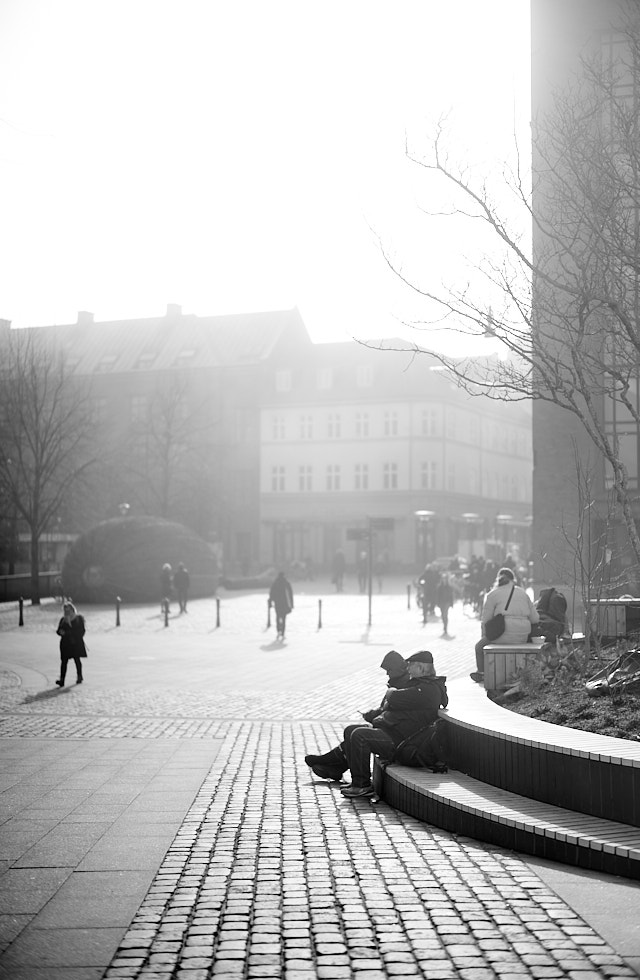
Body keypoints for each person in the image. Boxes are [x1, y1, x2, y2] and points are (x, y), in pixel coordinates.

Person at [307, 651, 449, 799]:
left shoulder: (428, 689)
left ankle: (361, 785)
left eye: (411, 666)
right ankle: (347, 774)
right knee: (351, 730)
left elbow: (394, 697)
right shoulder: (421, 685)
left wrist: (391, 692)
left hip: (403, 741)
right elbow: (395, 701)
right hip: (395, 732)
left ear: (421, 668)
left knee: (360, 735)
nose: (408, 669)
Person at [304, 650, 411, 780]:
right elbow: (387, 710)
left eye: (389, 669)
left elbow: (389, 712)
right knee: (352, 731)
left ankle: (358, 781)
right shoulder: (398, 682)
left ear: (399, 668)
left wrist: (372, 716)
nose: (387, 673)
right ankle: (336, 767)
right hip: (391, 728)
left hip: (397, 735)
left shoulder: (403, 686)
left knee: (359, 734)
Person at [471, 566, 539, 683]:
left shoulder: (492, 595)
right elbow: (535, 619)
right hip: (522, 636)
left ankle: (482, 673)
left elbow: (485, 621)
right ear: (513, 579)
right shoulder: (523, 593)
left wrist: (485, 637)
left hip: (501, 634)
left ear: (498, 579)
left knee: (478, 647)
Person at [55, 601, 87, 687]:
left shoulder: (78, 619)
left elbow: (81, 631)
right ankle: (62, 680)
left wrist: (70, 630)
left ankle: (79, 676)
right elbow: (58, 630)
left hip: (75, 643)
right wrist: (61, 632)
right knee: (64, 662)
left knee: (77, 660)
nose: (67, 613)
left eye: (68, 611)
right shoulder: (63, 620)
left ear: (73, 610)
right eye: (65, 611)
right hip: (65, 644)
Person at [269, 570, 294, 640]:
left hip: (277, 603)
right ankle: (282, 631)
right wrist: (291, 604)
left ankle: (278, 630)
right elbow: (290, 594)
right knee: (283, 618)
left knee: (278, 617)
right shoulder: (286, 583)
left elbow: (271, 593)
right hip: (284, 603)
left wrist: (271, 601)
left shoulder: (275, 583)